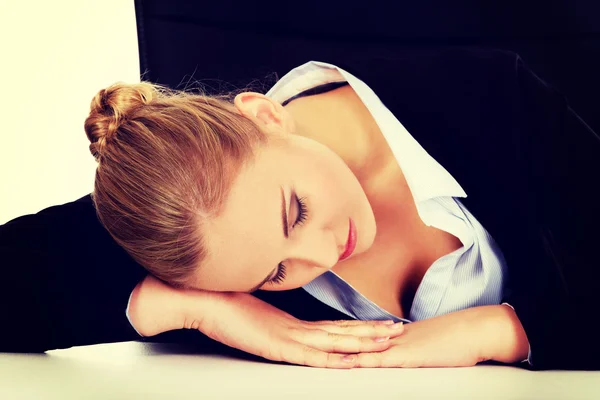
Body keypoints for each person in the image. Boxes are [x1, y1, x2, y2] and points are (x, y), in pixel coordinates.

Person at [1, 48, 598, 371]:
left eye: (296, 211)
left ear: (265, 116)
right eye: (275, 274)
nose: (320, 253)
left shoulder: (493, 99)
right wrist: (188, 304)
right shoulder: (177, 215)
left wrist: (503, 330)